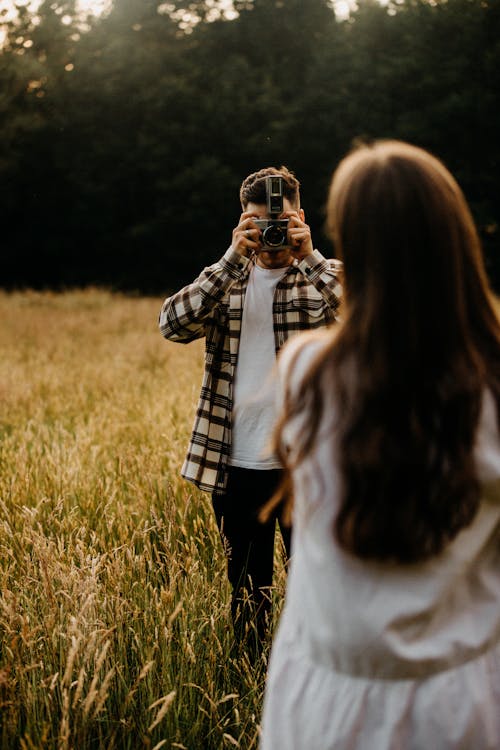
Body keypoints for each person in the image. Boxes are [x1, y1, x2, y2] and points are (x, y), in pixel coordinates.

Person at [260, 141, 500, 748]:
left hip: (326, 695)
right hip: (461, 696)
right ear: (457, 243)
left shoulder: (307, 372)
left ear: (358, 250)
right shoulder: (491, 384)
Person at [158, 166, 343, 641]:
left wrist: (312, 257)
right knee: (246, 596)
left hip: (309, 463)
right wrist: (229, 260)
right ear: (244, 221)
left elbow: (374, 321)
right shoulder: (224, 282)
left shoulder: (321, 277)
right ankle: (247, 688)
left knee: (319, 595)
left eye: (280, 220)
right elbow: (171, 325)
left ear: (300, 216)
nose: (272, 231)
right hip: (235, 463)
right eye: (261, 222)